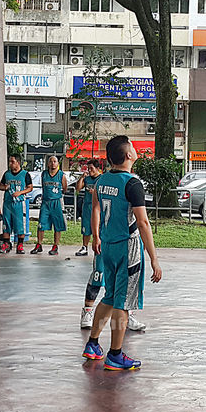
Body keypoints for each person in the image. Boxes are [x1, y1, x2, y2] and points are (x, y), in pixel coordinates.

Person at [82, 136, 162, 371]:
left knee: (108, 297)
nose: (136, 150)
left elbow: (95, 209)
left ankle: (93, 343)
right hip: (128, 247)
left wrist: (96, 236)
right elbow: (143, 222)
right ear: (128, 155)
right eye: (133, 148)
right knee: (123, 302)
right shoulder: (132, 184)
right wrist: (154, 258)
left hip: (107, 245)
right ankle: (115, 354)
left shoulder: (101, 180)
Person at [77, 157, 147, 332]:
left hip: (115, 240)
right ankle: (88, 312)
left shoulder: (109, 181)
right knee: (101, 277)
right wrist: (95, 236)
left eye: (92, 167)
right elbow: (143, 221)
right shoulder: (120, 182)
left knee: (116, 290)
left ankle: (95, 339)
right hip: (114, 240)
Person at [30, 155, 67, 255]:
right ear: (48, 163)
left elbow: (65, 188)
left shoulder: (61, 175)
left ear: (58, 163)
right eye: (51, 161)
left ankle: (55, 246)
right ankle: (39, 244)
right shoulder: (44, 174)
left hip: (56, 202)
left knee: (57, 225)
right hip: (45, 202)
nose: (52, 163)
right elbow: (43, 186)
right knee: (41, 224)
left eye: (55, 161)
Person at [0, 155, 32, 254]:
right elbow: (0, 186)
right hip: (8, 203)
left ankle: (20, 245)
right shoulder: (7, 174)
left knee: (20, 225)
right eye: (9, 161)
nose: (10, 164)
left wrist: (20, 192)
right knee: (6, 224)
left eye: (12, 161)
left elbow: (30, 187)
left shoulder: (25, 174)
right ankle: (6, 244)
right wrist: (5, 187)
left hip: (19, 203)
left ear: (18, 163)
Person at [75, 158, 102, 256]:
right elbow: (78, 188)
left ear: (97, 168)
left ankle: (99, 246)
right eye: (88, 168)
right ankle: (84, 247)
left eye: (91, 168)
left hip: (97, 206)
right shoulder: (87, 179)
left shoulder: (101, 179)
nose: (89, 170)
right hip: (87, 205)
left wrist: (95, 192)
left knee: (98, 227)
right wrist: (82, 177)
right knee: (86, 227)